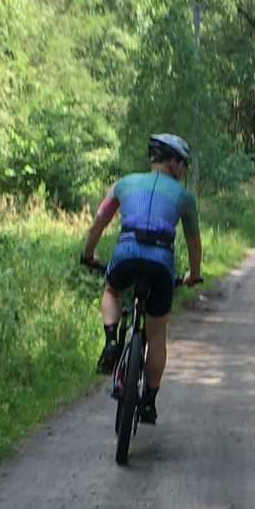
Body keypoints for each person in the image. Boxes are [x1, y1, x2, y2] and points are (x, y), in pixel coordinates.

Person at [80, 133, 202, 424]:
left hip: (126, 255)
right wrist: (193, 275)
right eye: (183, 164)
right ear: (172, 161)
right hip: (161, 263)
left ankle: (111, 341)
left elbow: (99, 220)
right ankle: (148, 401)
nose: (184, 170)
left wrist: (88, 254)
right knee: (157, 335)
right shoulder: (184, 198)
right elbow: (194, 243)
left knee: (111, 290)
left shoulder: (123, 184)